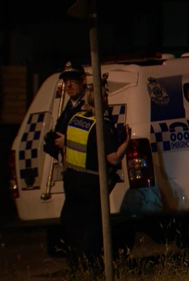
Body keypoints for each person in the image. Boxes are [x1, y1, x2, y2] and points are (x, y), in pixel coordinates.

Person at [61, 86, 130, 273]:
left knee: (76, 228)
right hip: (90, 185)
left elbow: (65, 146)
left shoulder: (76, 119)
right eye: (106, 96)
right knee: (93, 229)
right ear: (102, 101)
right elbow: (113, 158)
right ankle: (94, 270)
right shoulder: (102, 125)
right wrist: (127, 142)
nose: (108, 98)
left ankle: (76, 268)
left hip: (71, 180)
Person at [44, 61, 88, 159]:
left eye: (72, 79)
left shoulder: (91, 105)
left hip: (87, 171)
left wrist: (68, 143)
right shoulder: (69, 106)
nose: (68, 85)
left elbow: (96, 141)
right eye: (66, 80)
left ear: (83, 80)